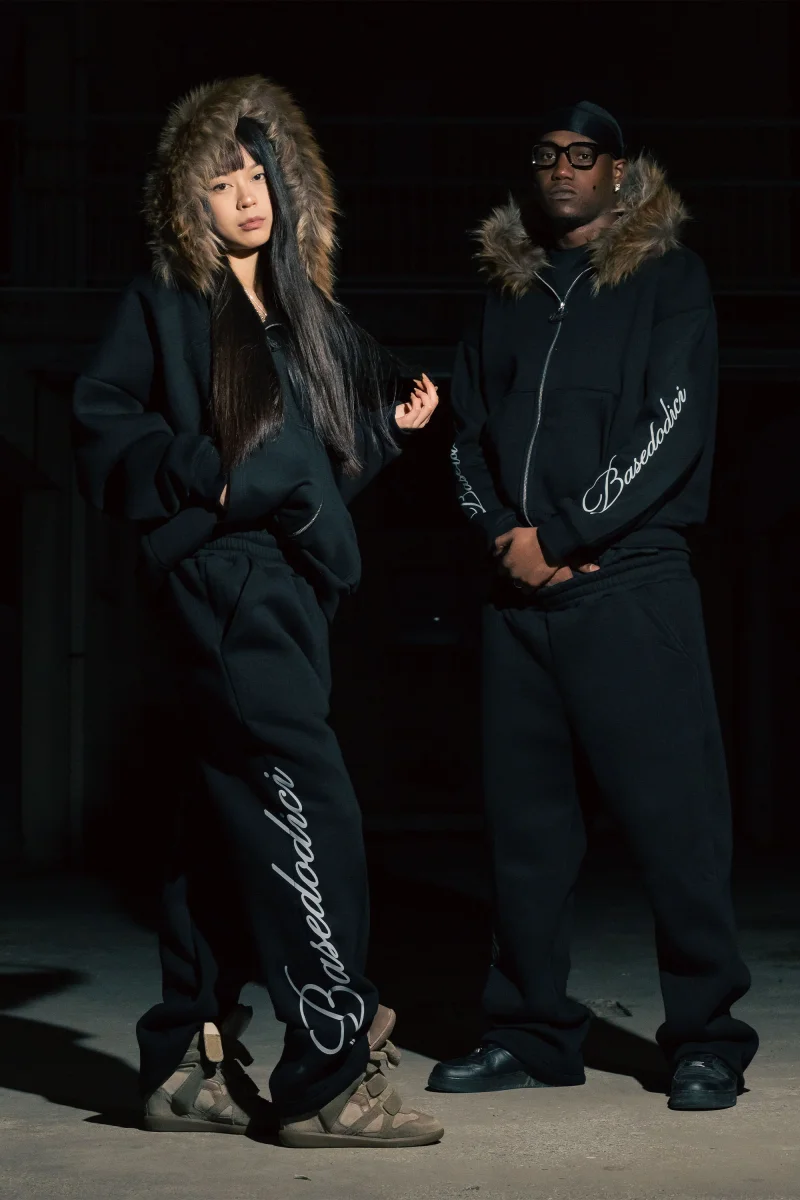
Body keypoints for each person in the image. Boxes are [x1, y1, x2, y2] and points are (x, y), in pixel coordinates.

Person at [73, 75, 444, 1148]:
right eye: (221, 182)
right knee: (307, 812)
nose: (245, 198)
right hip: (227, 580)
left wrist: (384, 437)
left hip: (286, 586)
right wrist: (211, 474)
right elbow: (104, 421)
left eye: (256, 176)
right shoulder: (167, 301)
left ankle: (186, 1063)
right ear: (187, 200)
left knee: (217, 818)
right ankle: (328, 1076)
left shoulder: (297, 317)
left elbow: (307, 480)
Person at [431, 101, 757, 1111]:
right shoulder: (506, 293)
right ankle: (529, 1032)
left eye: (583, 155)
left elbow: (673, 423)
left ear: (618, 171)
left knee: (676, 825)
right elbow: (463, 431)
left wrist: (565, 534)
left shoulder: (669, 278)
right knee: (524, 834)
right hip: (517, 599)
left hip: (631, 586)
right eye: (546, 155)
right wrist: (504, 537)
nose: (562, 169)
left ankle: (706, 1037)